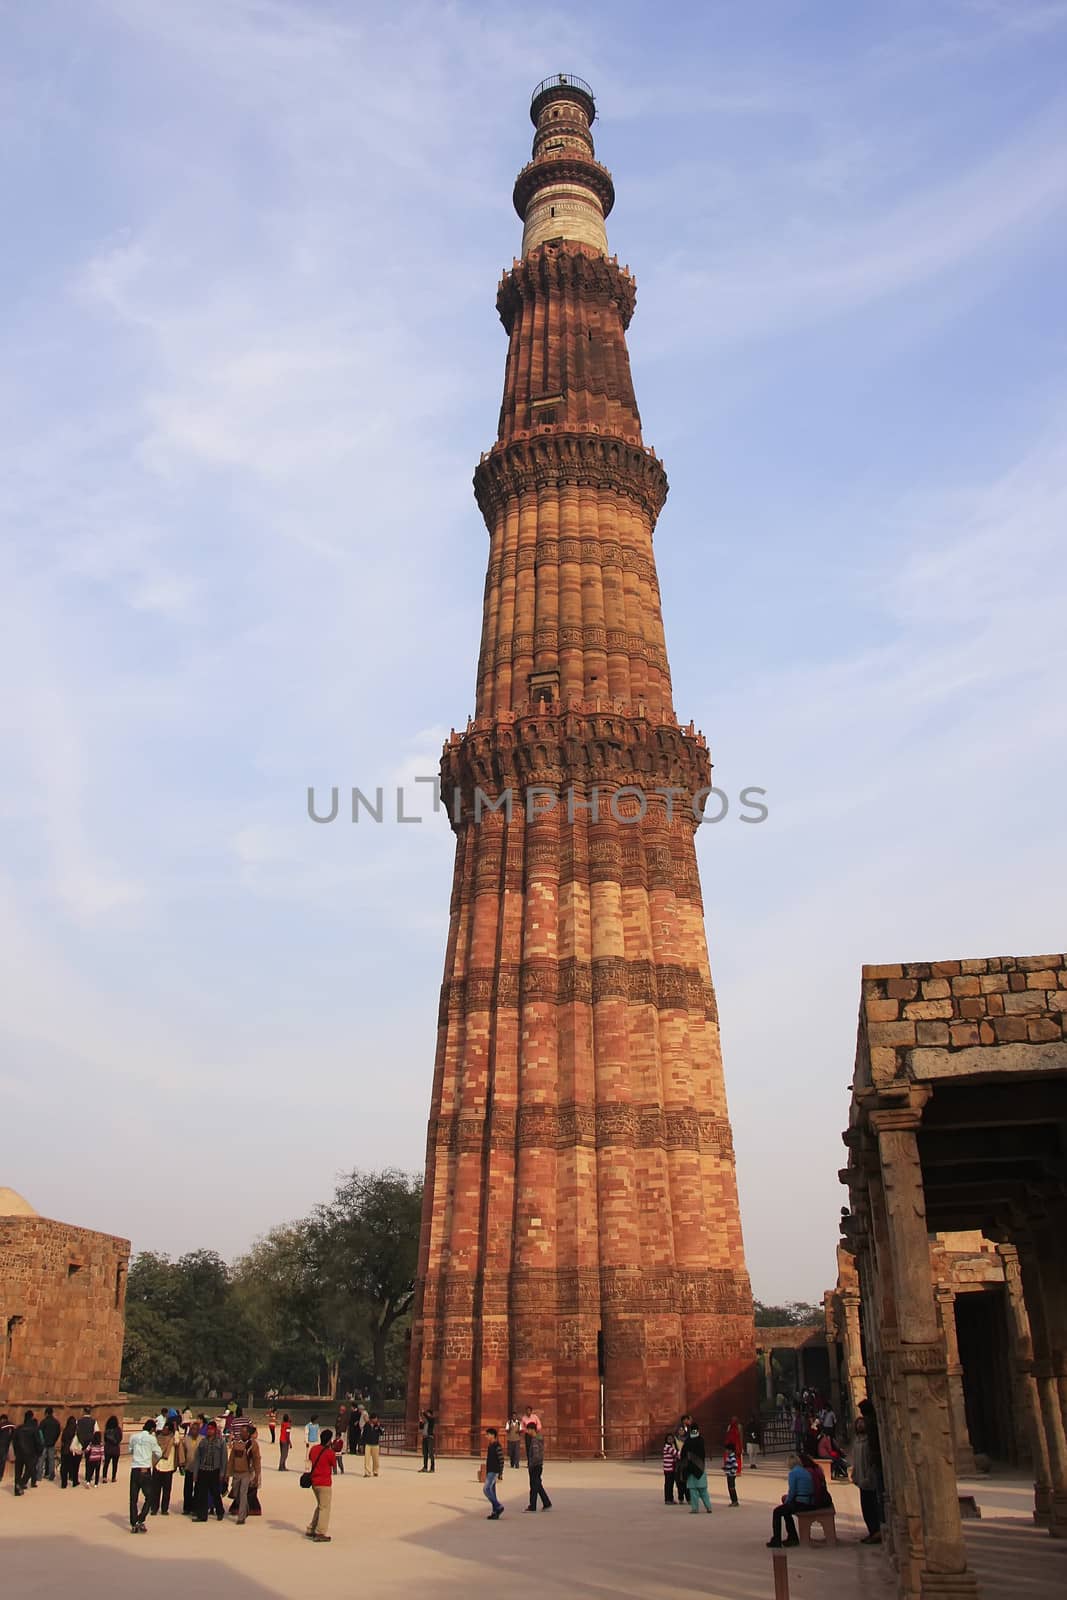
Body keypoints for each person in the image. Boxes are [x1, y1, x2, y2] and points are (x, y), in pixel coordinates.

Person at [766, 1453, 820, 1548]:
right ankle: (792, 1537)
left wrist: (787, 1502)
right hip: (809, 1501)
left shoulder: (793, 1473)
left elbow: (792, 1491)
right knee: (786, 1512)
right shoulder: (804, 1471)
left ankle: (777, 1539)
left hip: (801, 1503)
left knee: (777, 1512)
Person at [852, 1416, 881, 1543]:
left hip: (870, 1480)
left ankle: (877, 1532)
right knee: (866, 1508)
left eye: (862, 1423)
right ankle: (871, 1531)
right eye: (858, 1423)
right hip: (861, 1480)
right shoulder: (856, 1442)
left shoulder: (869, 1441)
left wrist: (869, 1477)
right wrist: (854, 1474)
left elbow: (871, 1462)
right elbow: (855, 1460)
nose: (860, 1425)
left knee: (873, 1506)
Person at [128, 1419, 161, 1532]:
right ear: (152, 1429)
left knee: (133, 1498)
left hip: (135, 1469)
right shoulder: (152, 1439)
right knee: (150, 1496)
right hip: (145, 1469)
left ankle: (134, 1523)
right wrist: (152, 1459)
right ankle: (140, 1519)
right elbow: (159, 1453)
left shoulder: (134, 1436)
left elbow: (130, 1450)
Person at [306, 1426, 336, 1543]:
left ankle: (311, 1528)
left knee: (320, 1506)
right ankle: (320, 1532)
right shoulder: (329, 1452)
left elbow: (310, 1460)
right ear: (329, 1440)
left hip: (314, 1482)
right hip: (324, 1483)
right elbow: (334, 1465)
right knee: (325, 1508)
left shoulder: (314, 1449)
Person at [192, 1420, 227, 1522]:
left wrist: (222, 1473)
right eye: (208, 1429)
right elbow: (197, 1458)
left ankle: (220, 1511)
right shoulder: (203, 1442)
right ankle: (202, 1516)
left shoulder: (221, 1442)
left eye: (211, 1429)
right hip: (203, 1470)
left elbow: (224, 1459)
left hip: (214, 1471)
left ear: (215, 1430)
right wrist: (195, 1473)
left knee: (215, 1493)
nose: (209, 1431)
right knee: (202, 1494)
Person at [227, 1424, 259, 1524]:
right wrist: (228, 1473)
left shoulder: (253, 1444)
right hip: (236, 1472)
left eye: (243, 1432)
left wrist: (257, 1475)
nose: (240, 1433)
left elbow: (256, 1460)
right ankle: (245, 1508)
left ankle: (241, 1517)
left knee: (243, 1493)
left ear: (248, 1433)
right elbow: (231, 1459)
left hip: (246, 1473)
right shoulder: (236, 1443)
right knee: (236, 1494)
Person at [523, 1420, 552, 1512]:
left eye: (528, 1430)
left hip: (535, 1465)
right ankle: (546, 1502)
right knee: (538, 1485)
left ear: (532, 1430)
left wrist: (531, 1464)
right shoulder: (539, 1438)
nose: (527, 1432)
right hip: (539, 1465)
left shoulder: (535, 1440)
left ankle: (532, 1506)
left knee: (533, 1486)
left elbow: (535, 1454)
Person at [683, 1426, 711, 1515]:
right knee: (703, 1490)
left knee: (693, 1490)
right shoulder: (701, 1440)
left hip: (690, 1468)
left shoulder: (687, 1441)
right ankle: (708, 1507)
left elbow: (683, 1454)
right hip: (700, 1467)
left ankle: (695, 1508)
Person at [13, 1411, 42, 1496]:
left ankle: (17, 1489)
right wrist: (39, 1452)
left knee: (18, 1472)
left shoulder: (19, 1428)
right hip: (30, 1453)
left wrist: (16, 1452)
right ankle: (21, 1484)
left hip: (19, 1453)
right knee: (30, 1470)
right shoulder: (34, 1428)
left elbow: (14, 1441)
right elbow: (38, 1441)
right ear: (32, 1417)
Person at [150, 1426, 178, 1514]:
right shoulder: (157, 1438)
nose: (164, 1430)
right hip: (158, 1466)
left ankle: (164, 1509)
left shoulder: (173, 1439)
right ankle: (154, 1508)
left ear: (170, 1430)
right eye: (163, 1429)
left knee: (166, 1490)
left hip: (168, 1467)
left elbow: (177, 1441)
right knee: (155, 1490)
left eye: (166, 1429)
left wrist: (175, 1428)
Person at [179, 1421, 201, 1513]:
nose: (194, 1431)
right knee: (187, 1489)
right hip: (188, 1467)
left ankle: (196, 1507)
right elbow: (182, 1452)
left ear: (198, 1430)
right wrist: (182, 1463)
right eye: (192, 1429)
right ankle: (187, 1508)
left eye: (196, 1429)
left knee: (198, 1489)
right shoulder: (185, 1440)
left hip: (199, 1468)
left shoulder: (202, 1439)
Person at [483, 1427, 504, 1519]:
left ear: (492, 1435)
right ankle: (495, 1512)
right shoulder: (490, 1445)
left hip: (494, 1471)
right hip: (490, 1470)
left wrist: (500, 1473)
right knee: (493, 1492)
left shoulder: (497, 1446)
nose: (486, 1436)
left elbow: (501, 1459)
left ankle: (498, 1506)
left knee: (486, 1489)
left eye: (487, 1434)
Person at [38, 1406, 61, 1481]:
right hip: (52, 1443)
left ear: (46, 1413)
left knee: (41, 1459)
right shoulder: (56, 1422)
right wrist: (54, 1440)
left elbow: (40, 1432)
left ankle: (39, 1475)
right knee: (51, 1460)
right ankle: (51, 1475)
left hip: (44, 1444)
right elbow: (58, 1432)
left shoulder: (43, 1421)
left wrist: (42, 1441)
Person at [60, 1414, 81, 1488]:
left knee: (64, 1468)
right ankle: (75, 1481)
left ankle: (64, 1483)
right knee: (75, 1467)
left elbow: (62, 1440)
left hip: (66, 1450)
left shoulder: (66, 1430)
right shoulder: (77, 1431)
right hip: (74, 1451)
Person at [362, 1413, 384, 1478]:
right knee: (367, 1459)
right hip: (368, 1444)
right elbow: (363, 1434)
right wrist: (362, 1443)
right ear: (371, 1419)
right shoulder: (367, 1425)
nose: (376, 1420)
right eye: (374, 1419)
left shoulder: (378, 1425)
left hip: (375, 1444)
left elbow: (382, 1433)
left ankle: (375, 1471)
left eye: (376, 1419)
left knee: (376, 1459)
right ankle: (367, 1472)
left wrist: (379, 1426)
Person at [662, 1431, 682, 1504]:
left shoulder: (670, 1447)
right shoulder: (668, 1448)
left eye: (672, 1439)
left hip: (671, 1468)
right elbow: (677, 1454)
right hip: (669, 1469)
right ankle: (668, 1499)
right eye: (669, 1439)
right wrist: (683, 1451)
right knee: (668, 1485)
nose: (671, 1440)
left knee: (670, 1484)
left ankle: (670, 1499)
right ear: (666, 1440)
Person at [103, 1415, 123, 1482]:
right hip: (115, 1449)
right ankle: (113, 1477)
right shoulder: (118, 1429)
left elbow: (105, 1439)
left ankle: (104, 1477)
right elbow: (120, 1438)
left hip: (108, 1448)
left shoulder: (107, 1430)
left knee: (106, 1464)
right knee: (115, 1464)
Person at [723, 1441, 740, 1506]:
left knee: (732, 1488)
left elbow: (735, 1466)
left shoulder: (732, 1457)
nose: (726, 1451)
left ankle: (735, 1501)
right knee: (730, 1488)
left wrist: (731, 1472)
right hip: (729, 1474)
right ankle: (733, 1501)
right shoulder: (729, 1456)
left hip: (731, 1475)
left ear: (730, 1450)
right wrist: (725, 1468)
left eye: (727, 1450)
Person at [419, 1408, 436, 1472]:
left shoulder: (432, 1420)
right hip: (425, 1438)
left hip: (430, 1438)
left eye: (428, 1414)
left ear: (430, 1414)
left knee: (431, 1453)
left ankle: (432, 1468)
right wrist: (420, 1421)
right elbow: (421, 1428)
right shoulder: (426, 1422)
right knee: (425, 1453)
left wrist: (423, 1412)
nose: (427, 1415)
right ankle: (425, 1467)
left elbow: (428, 1418)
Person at [0, 1414, 14, 1484]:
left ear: (2, 1419)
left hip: (1, 1445)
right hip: (7, 1446)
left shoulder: (1, 1425)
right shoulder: (12, 1425)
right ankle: (0, 1476)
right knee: (2, 1462)